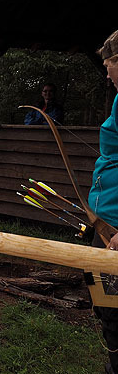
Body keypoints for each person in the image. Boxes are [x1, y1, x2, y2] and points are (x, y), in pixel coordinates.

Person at [89, 29, 118, 374]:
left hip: (116, 231)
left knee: (112, 307)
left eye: (108, 64)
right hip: (106, 219)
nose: (106, 73)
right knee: (101, 296)